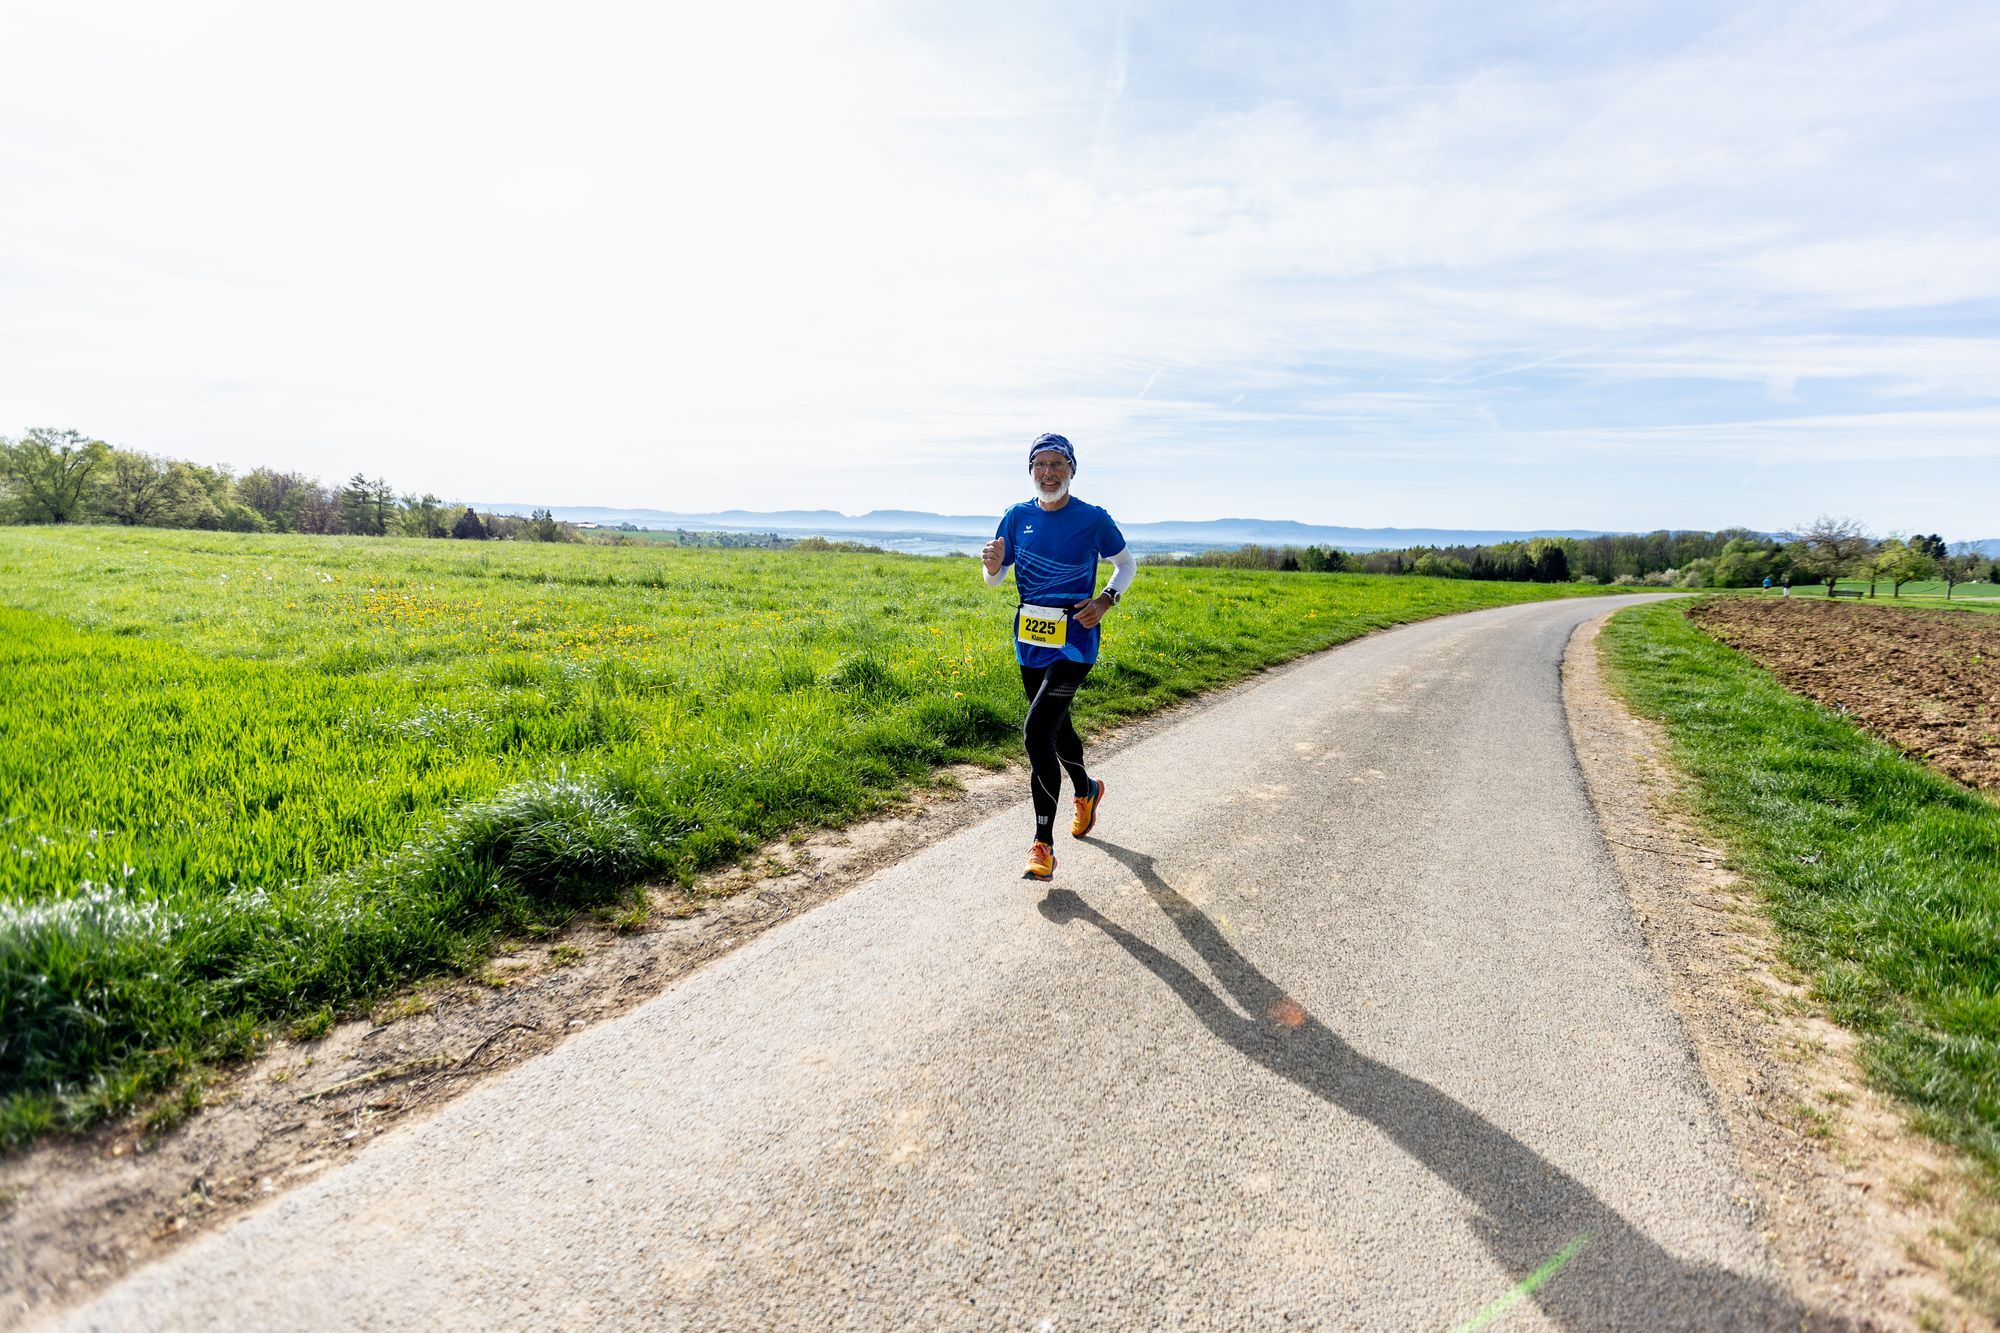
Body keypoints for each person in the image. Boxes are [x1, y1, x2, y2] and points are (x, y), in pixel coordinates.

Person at [981, 433, 1136, 881]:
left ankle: (1042, 844)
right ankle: (1086, 790)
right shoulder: (1016, 516)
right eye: (1040, 465)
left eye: (1057, 464)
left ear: (1072, 469)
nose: (1048, 472)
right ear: (1031, 470)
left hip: (1075, 639)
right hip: (1030, 637)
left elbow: (1127, 565)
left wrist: (1106, 600)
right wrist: (991, 566)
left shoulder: (1092, 518)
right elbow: (995, 578)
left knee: (1035, 734)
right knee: (1058, 727)